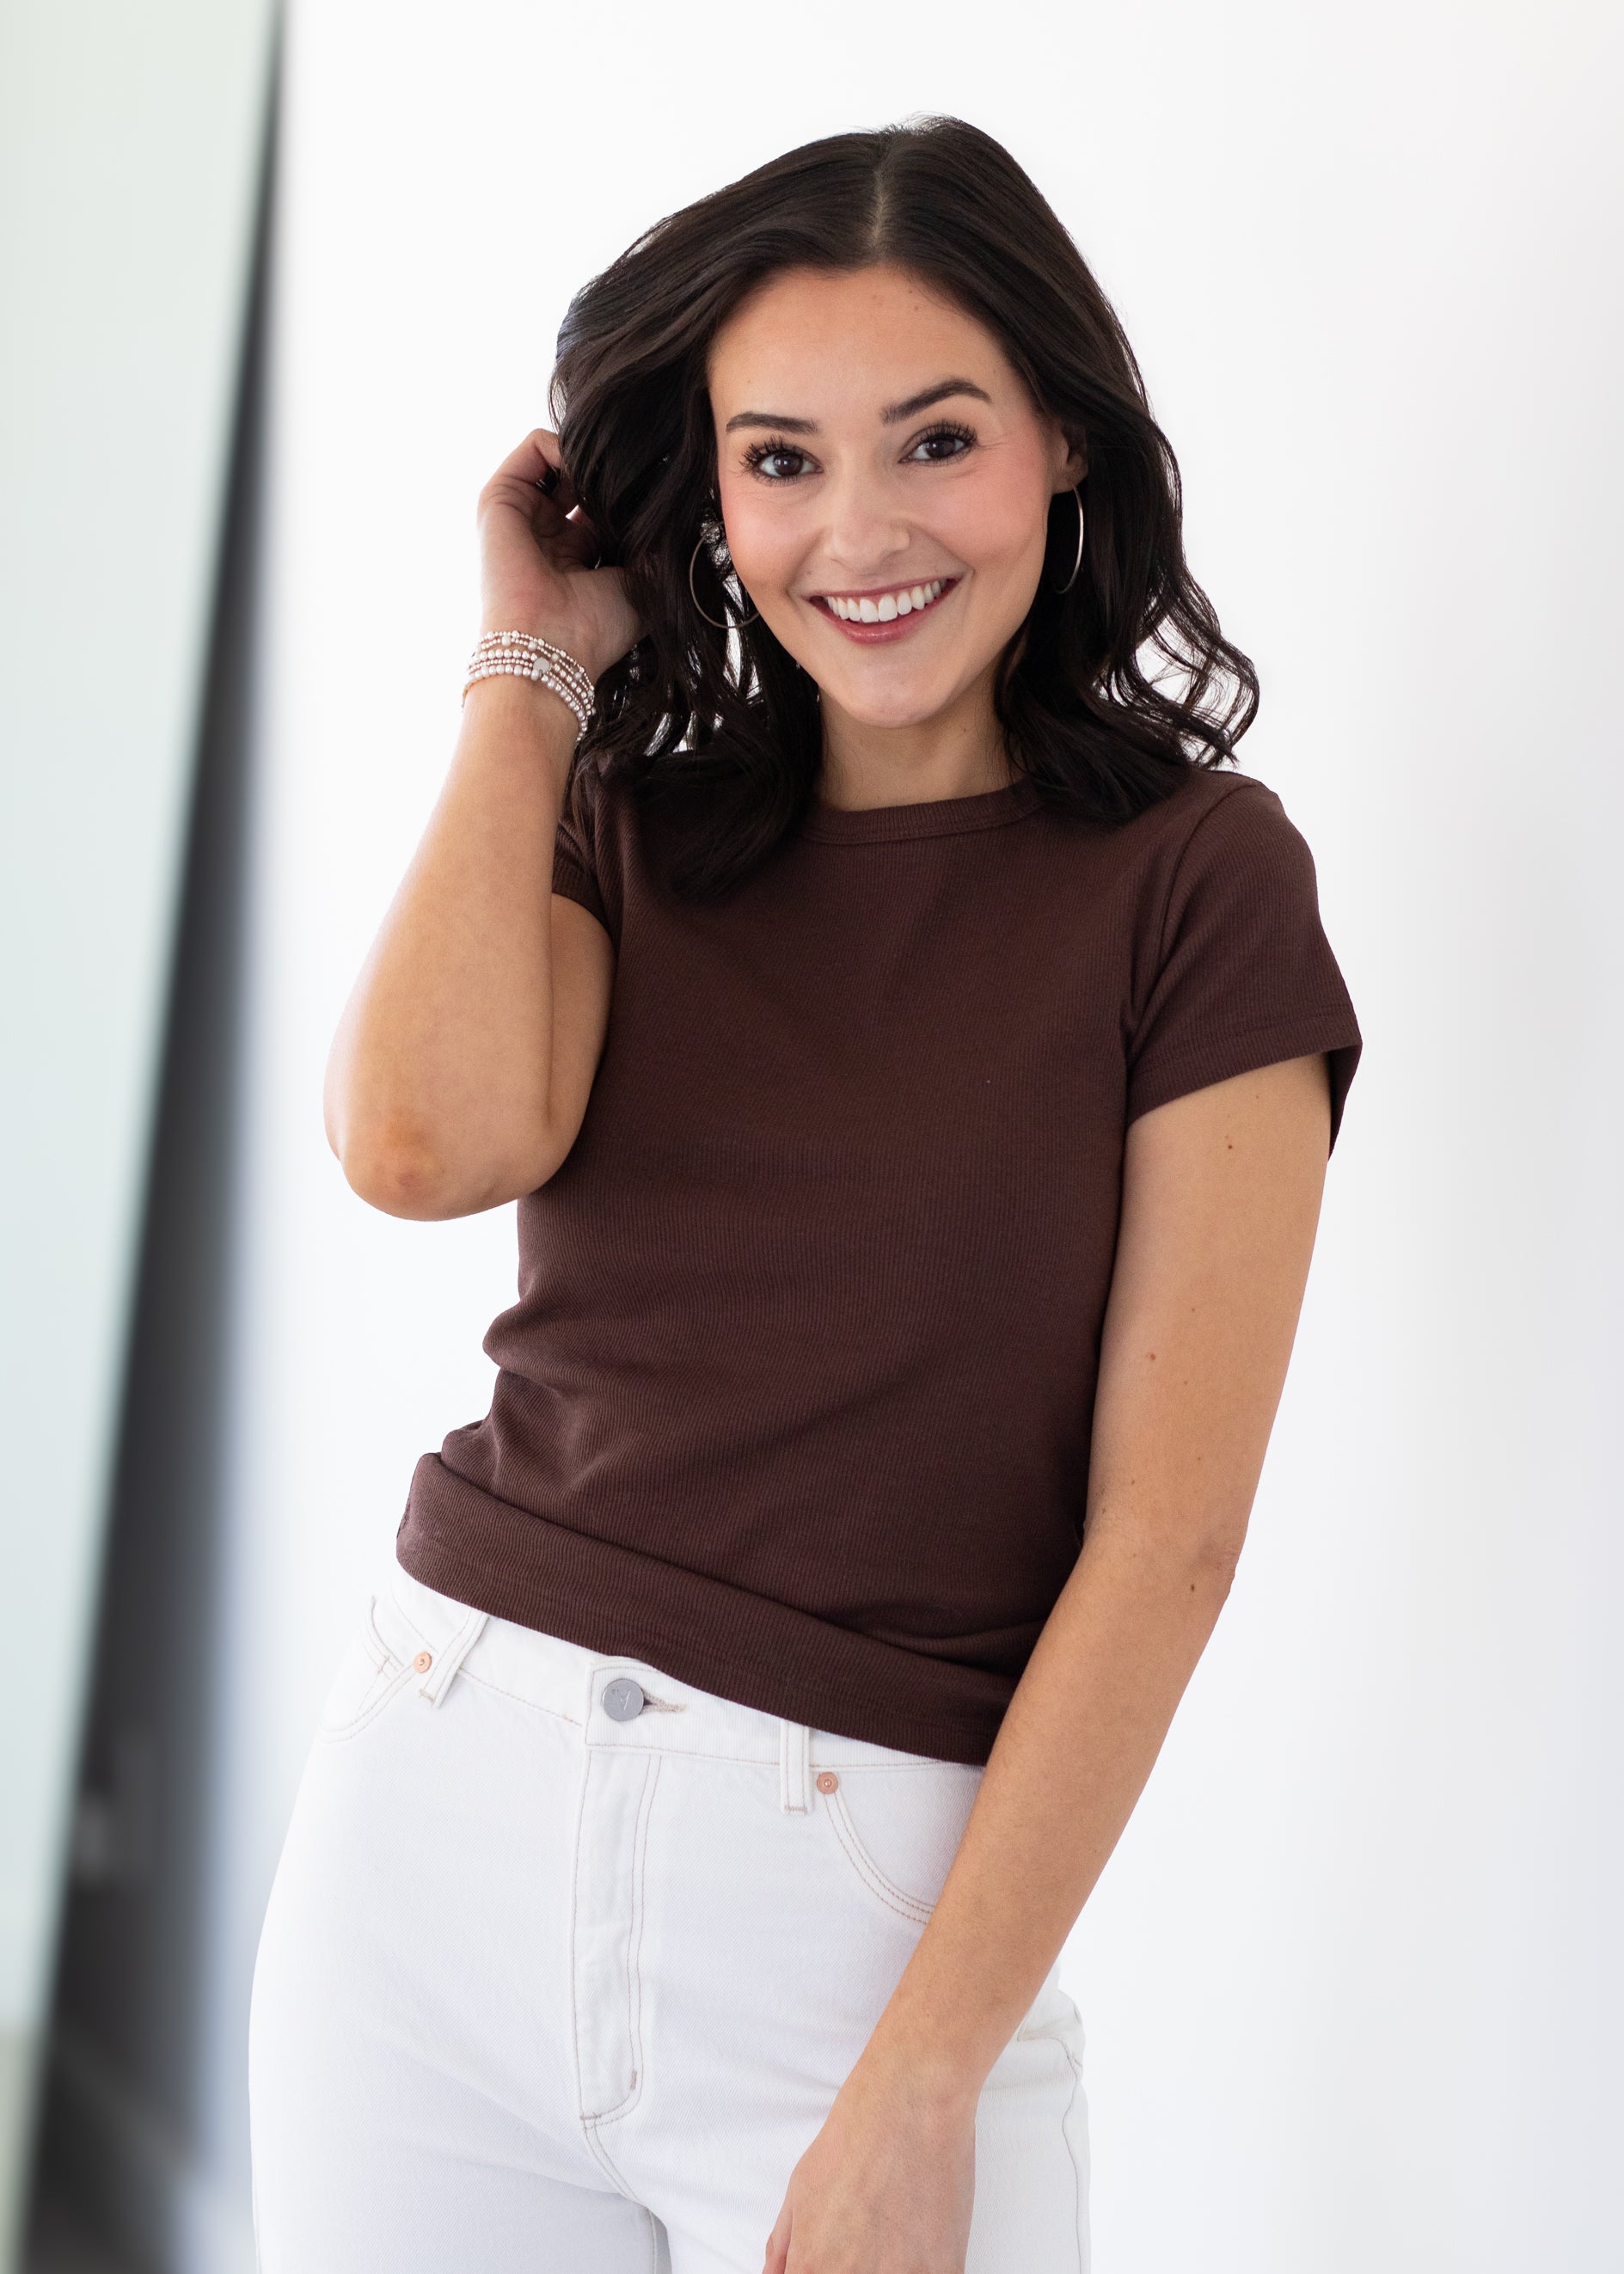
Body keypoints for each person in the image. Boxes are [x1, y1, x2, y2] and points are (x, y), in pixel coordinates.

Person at [248, 114, 1362, 2273]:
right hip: (441, 1805)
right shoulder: (638, 827)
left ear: (1059, 441)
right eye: (778, 460)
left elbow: (1170, 1539)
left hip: (861, 1908)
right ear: (711, 495)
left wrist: (931, 2069)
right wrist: (532, 666)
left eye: (931, 440)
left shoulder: (1197, 885)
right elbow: (415, 1147)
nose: (858, 528)